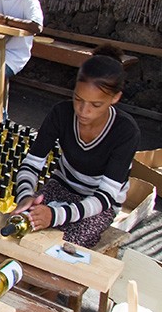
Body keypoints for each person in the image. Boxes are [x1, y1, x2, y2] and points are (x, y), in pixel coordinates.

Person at [12, 46, 139, 248]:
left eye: (95, 105)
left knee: (62, 247)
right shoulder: (61, 114)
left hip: (98, 204)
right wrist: (26, 195)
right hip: (61, 187)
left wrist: (54, 216)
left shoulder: (125, 132)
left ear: (115, 98)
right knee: (19, 228)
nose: (83, 111)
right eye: (78, 99)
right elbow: (32, 164)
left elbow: (105, 197)